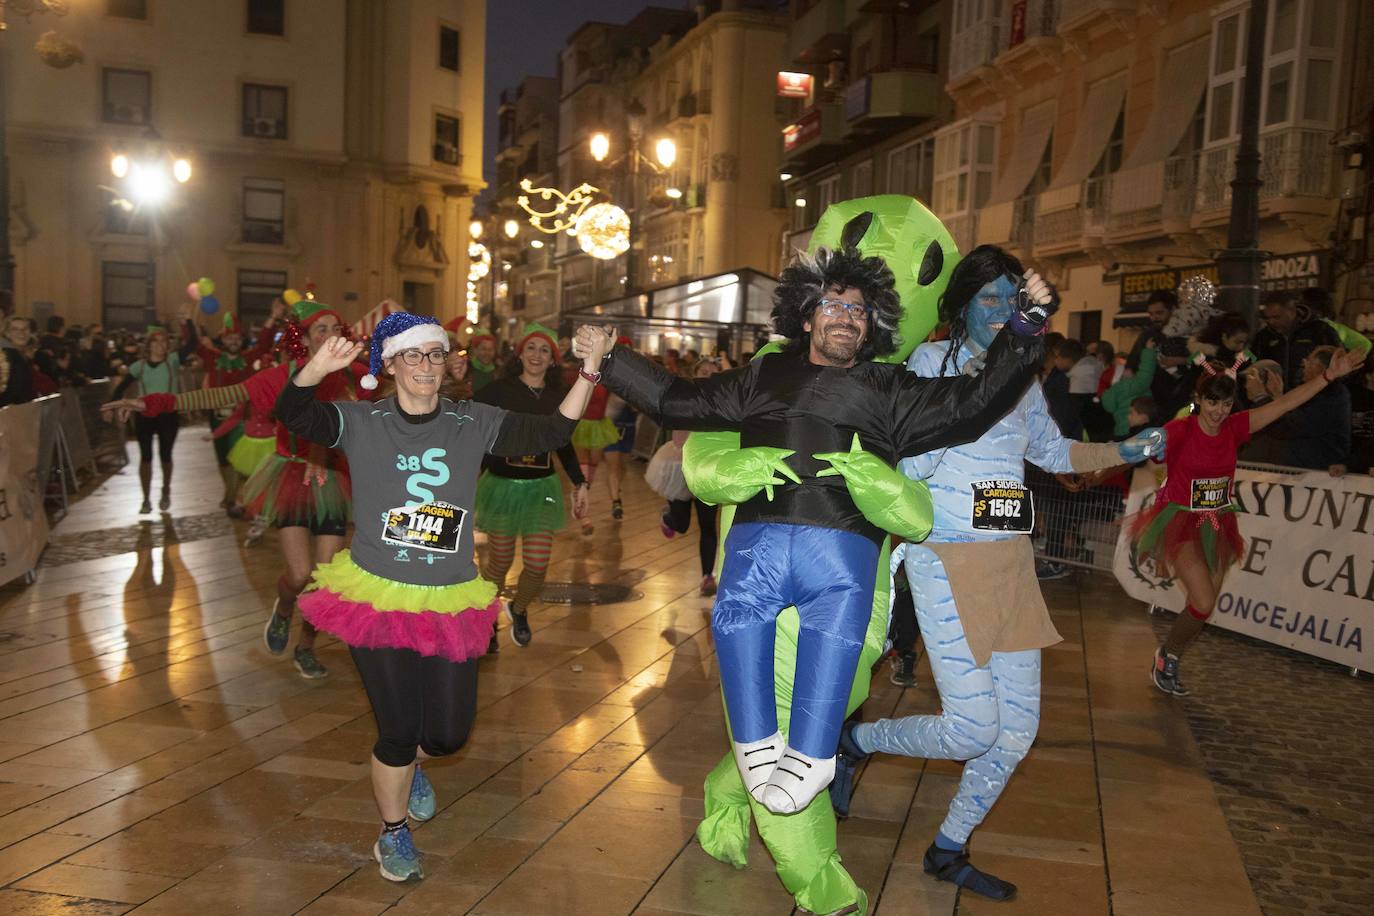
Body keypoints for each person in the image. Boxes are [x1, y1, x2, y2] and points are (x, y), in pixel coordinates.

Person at [576, 242, 1054, 815]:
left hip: (843, 556)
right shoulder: (764, 376)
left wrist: (1026, 326)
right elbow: (678, 401)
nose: (846, 318)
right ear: (805, 316)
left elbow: (975, 402)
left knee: (836, 632)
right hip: (758, 550)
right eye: (832, 305)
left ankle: (814, 752)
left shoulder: (891, 388)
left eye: (858, 310)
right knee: (735, 617)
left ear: (871, 324)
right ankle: (755, 746)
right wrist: (609, 358)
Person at [829, 245, 1166, 899]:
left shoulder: (1024, 373)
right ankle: (859, 738)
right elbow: (906, 466)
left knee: (1015, 734)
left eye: (1011, 300)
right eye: (987, 298)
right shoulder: (931, 363)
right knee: (973, 727)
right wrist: (950, 424)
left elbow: (1048, 448)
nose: (1000, 311)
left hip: (1011, 562)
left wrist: (1122, 450)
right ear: (960, 305)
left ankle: (949, 848)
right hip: (944, 559)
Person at [276, 313, 612, 882]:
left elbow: (552, 431)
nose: (426, 366)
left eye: (435, 355)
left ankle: (413, 769)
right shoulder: (362, 421)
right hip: (377, 596)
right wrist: (315, 367)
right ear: (389, 365)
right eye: (413, 355)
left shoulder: (471, 420)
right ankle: (392, 832)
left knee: (448, 734)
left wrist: (591, 368)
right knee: (398, 730)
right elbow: (292, 413)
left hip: (449, 597)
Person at [103, 298, 366, 679]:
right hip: (291, 477)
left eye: (333, 328)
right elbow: (217, 396)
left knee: (325, 582)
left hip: (333, 479)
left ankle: (306, 646)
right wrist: (149, 402)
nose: (329, 335)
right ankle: (283, 608)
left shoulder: (351, 375)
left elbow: (391, 389)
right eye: (319, 329)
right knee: (298, 576)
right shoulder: (279, 376)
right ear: (303, 339)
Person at [1133, 347, 1365, 696]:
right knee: (1204, 602)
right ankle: (1167, 655)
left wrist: (1328, 376)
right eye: (1212, 402)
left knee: (1201, 608)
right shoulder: (1180, 430)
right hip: (1179, 521)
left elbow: (1284, 404)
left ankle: (1171, 655)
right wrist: (1095, 470)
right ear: (1199, 398)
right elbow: (1134, 450)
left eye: (1226, 404)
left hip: (1217, 523)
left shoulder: (1236, 426)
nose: (1218, 411)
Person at [472, 323, 590, 649]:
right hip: (501, 487)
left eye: (544, 351)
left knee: (537, 567)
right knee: (499, 563)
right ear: (519, 353)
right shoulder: (498, 391)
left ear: (553, 359)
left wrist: (580, 482)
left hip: (542, 488)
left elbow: (563, 443)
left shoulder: (559, 398)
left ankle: (519, 607)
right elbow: (473, 428)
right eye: (531, 348)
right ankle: (485, 621)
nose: (537, 356)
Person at [184, 307, 281, 513]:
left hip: (243, 416)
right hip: (218, 415)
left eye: (237, 338)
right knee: (222, 457)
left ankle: (238, 498)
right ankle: (230, 493)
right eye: (230, 338)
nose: (234, 341)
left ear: (242, 339)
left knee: (241, 460)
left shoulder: (248, 358)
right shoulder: (212, 357)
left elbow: (264, 344)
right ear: (223, 340)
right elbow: (195, 345)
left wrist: (272, 318)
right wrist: (187, 322)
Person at [111, 325, 195, 513]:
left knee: (166, 455)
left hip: (168, 415)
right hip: (145, 416)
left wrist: (187, 322)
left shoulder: (172, 361)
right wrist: (111, 405)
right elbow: (121, 386)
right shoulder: (138, 366)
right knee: (146, 457)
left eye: (164, 341)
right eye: (156, 341)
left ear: (167, 346)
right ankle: (146, 498)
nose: (160, 345)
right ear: (148, 345)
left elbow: (193, 344)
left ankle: (166, 490)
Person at [1279, 345, 1351, 475]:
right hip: (1306, 468)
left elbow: (1291, 426)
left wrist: (1264, 398)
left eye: (1309, 361)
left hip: (1319, 473)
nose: (1304, 364)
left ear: (1321, 368)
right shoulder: (1313, 391)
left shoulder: (1330, 396)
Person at [1250, 292, 1340, 392]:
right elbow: (1250, 361)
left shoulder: (1320, 330)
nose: (1271, 322)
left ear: (1292, 312)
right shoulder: (1263, 336)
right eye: (1267, 318)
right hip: (1276, 399)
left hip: (1314, 396)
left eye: (1276, 317)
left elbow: (1339, 362)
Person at [0, 315, 37, 405]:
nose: (22, 333)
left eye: (25, 329)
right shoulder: (9, 355)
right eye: (15, 329)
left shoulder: (20, 355)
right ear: (7, 333)